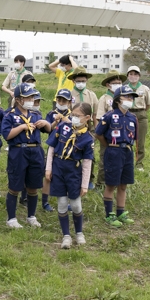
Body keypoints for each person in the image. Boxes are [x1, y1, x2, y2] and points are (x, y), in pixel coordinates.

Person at [2, 83, 51, 228]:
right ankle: (11, 219)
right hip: (18, 151)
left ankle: (31, 216)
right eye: (27, 97)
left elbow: (49, 130)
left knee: (33, 186)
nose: (31, 99)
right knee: (15, 186)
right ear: (18, 99)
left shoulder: (35, 115)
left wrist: (46, 123)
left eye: (32, 97)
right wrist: (22, 127)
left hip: (35, 151)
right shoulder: (10, 115)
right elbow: (7, 135)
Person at [45, 103, 94, 249]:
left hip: (74, 171)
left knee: (75, 205)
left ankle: (79, 233)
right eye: (72, 115)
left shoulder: (88, 138)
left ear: (87, 118)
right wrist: (48, 168)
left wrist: (85, 184)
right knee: (61, 203)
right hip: (58, 168)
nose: (73, 118)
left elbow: (87, 163)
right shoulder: (62, 127)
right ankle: (66, 235)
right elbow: (51, 148)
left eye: (77, 116)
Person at [95, 85, 139, 228]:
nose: (129, 99)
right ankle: (109, 214)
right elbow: (98, 134)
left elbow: (135, 137)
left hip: (127, 152)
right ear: (117, 99)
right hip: (114, 152)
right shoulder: (109, 116)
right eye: (126, 96)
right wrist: (108, 146)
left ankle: (121, 211)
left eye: (131, 97)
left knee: (123, 184)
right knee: (111, 184)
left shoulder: (133, 117)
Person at [95, 70, 126, 189]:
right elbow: (99, 118)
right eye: (115, 83)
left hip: (120, 136)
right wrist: (101, 137)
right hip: (108, 135)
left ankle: (117, 182)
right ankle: (100, 183)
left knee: (119, 160)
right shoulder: (104, 98)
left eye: (120, 82)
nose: (118, 84)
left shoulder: (123, 98)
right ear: (108, 85)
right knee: (104, 160)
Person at [126, 66, 150, 171]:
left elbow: (148, 104)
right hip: (128, 113)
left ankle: (139, 163)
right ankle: (128, 161)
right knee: (127, 138)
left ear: (139, 76)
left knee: (140, 140)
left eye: (135, 74)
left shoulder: (145, 88)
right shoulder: (125, 89)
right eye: (131, 74)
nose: (133, 77)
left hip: (141, 114)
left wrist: (141, 112)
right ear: (127, 76)